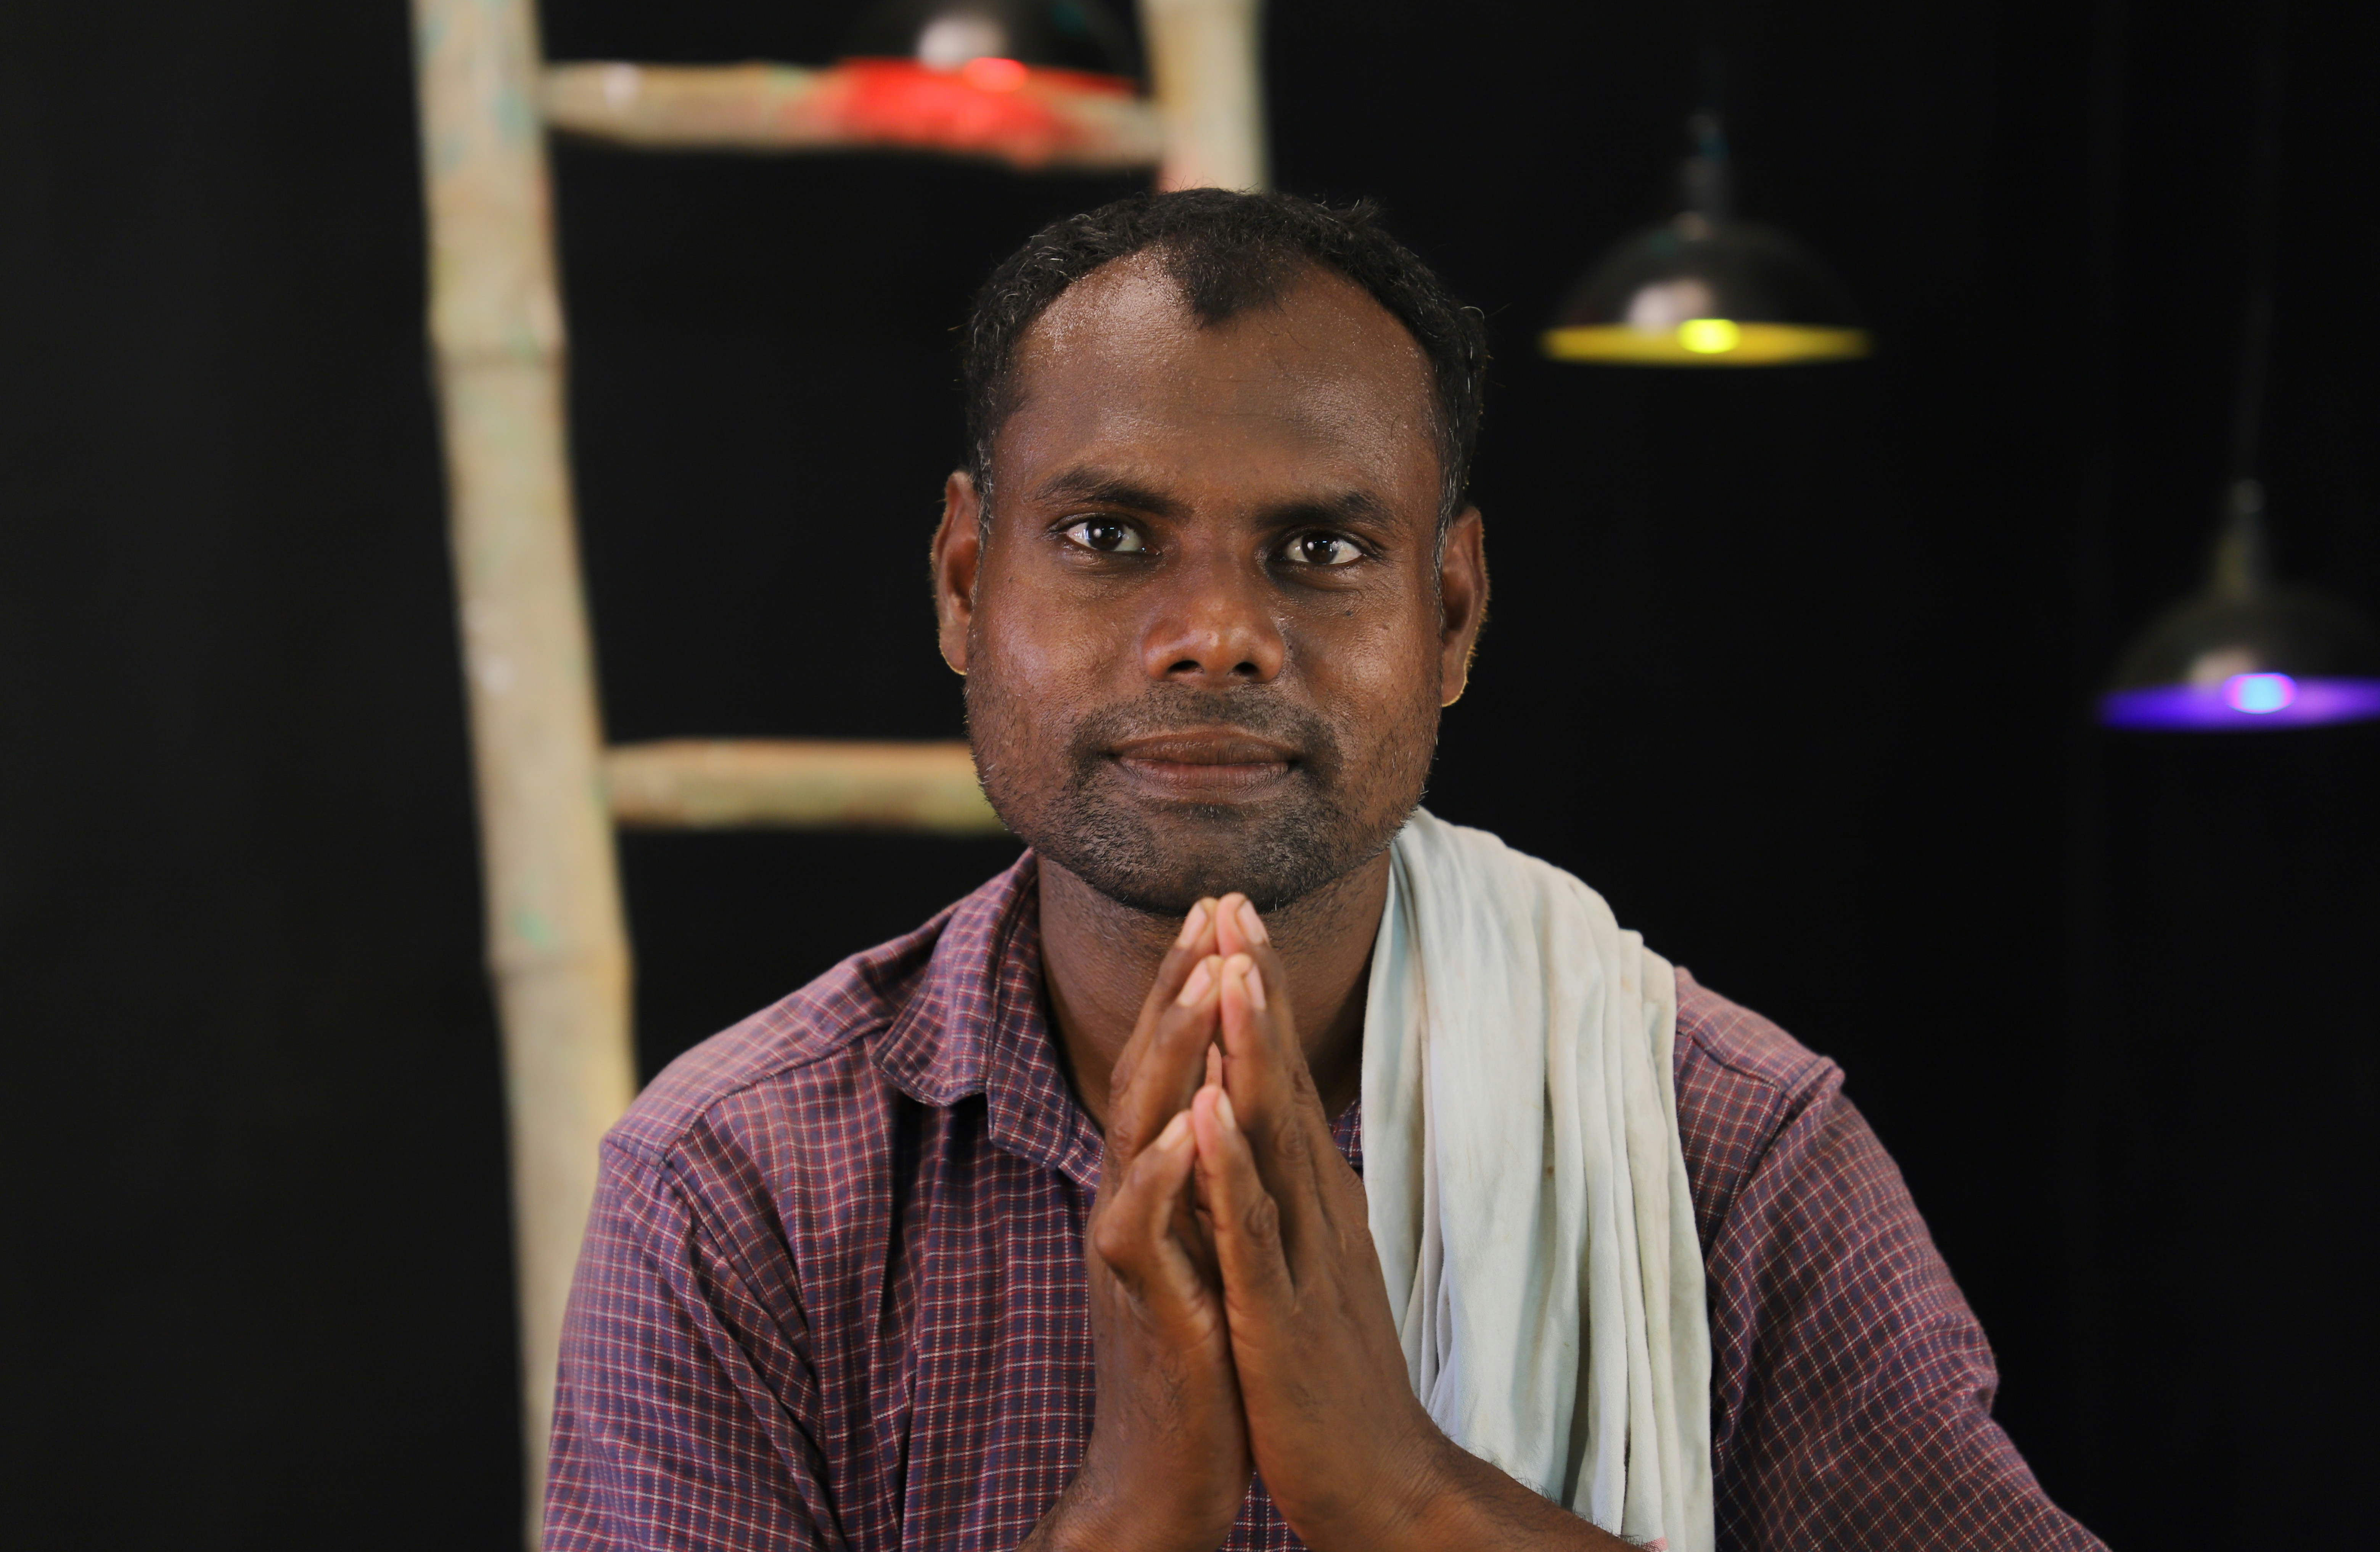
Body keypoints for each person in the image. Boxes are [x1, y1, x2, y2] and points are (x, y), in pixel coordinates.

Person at [544, 190, 2102, 1552]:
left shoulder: (1721, 1148)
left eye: (1321, 551)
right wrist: (1137, 1505)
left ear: (1456, 613)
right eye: (1105, 534)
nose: (1217, 629)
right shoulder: (738, 1185)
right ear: (966, 581)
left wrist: (1409, 1494)